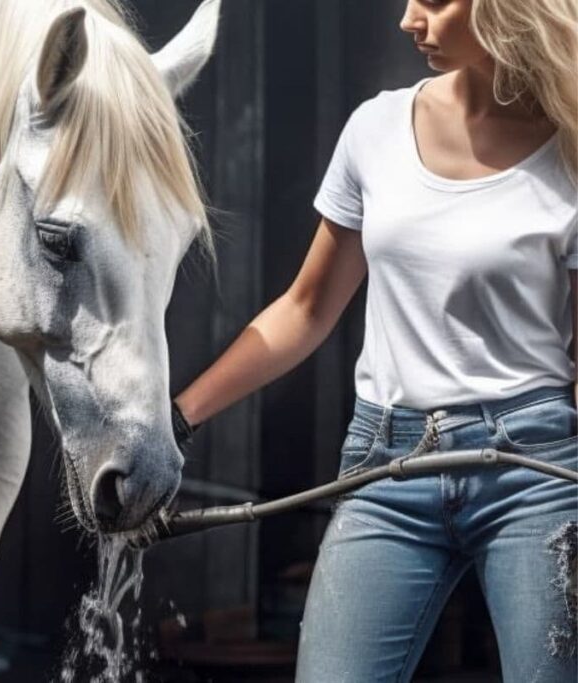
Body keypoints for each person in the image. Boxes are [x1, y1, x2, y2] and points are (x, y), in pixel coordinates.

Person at [171, 0, 578, 680]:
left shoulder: (569, 147)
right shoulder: (376, 128)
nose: (409, 19)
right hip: (386, 466)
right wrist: (180, 414)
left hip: (533, 473)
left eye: (436, 2)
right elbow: (304, 309)